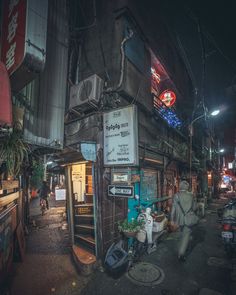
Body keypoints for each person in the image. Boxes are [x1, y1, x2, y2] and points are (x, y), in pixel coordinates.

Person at [170, 180, 198, 261]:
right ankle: (181, 254)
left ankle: (179, 248)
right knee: (186, 236)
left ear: (180, 186)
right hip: (188, 219)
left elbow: (173, 209)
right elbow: (195, 208)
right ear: (187, 187)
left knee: (180, 235)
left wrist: (172, 220)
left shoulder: (176, 196)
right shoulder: (191, 195)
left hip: (178, 220)